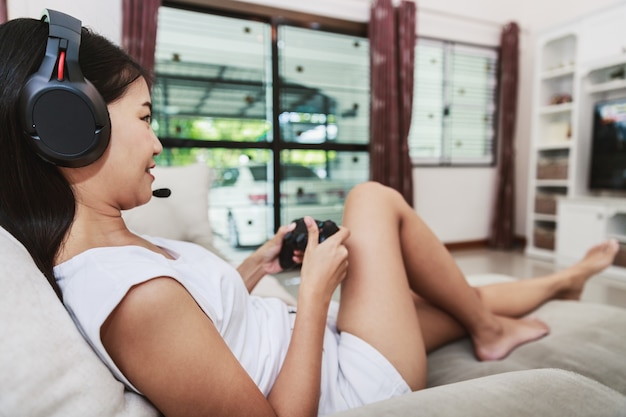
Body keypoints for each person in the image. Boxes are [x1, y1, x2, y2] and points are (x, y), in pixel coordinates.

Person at [0, 14, 619, 417]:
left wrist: (257, 265)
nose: (159, 143)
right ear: (69, 128)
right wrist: (318, 290)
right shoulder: (133, 299)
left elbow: (203, 322)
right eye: (145, 118)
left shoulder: (106, 257)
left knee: (450, 305)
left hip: (317, 344)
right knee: (373, 199)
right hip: (346, 382)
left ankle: (546, 289)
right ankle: (491, 327)